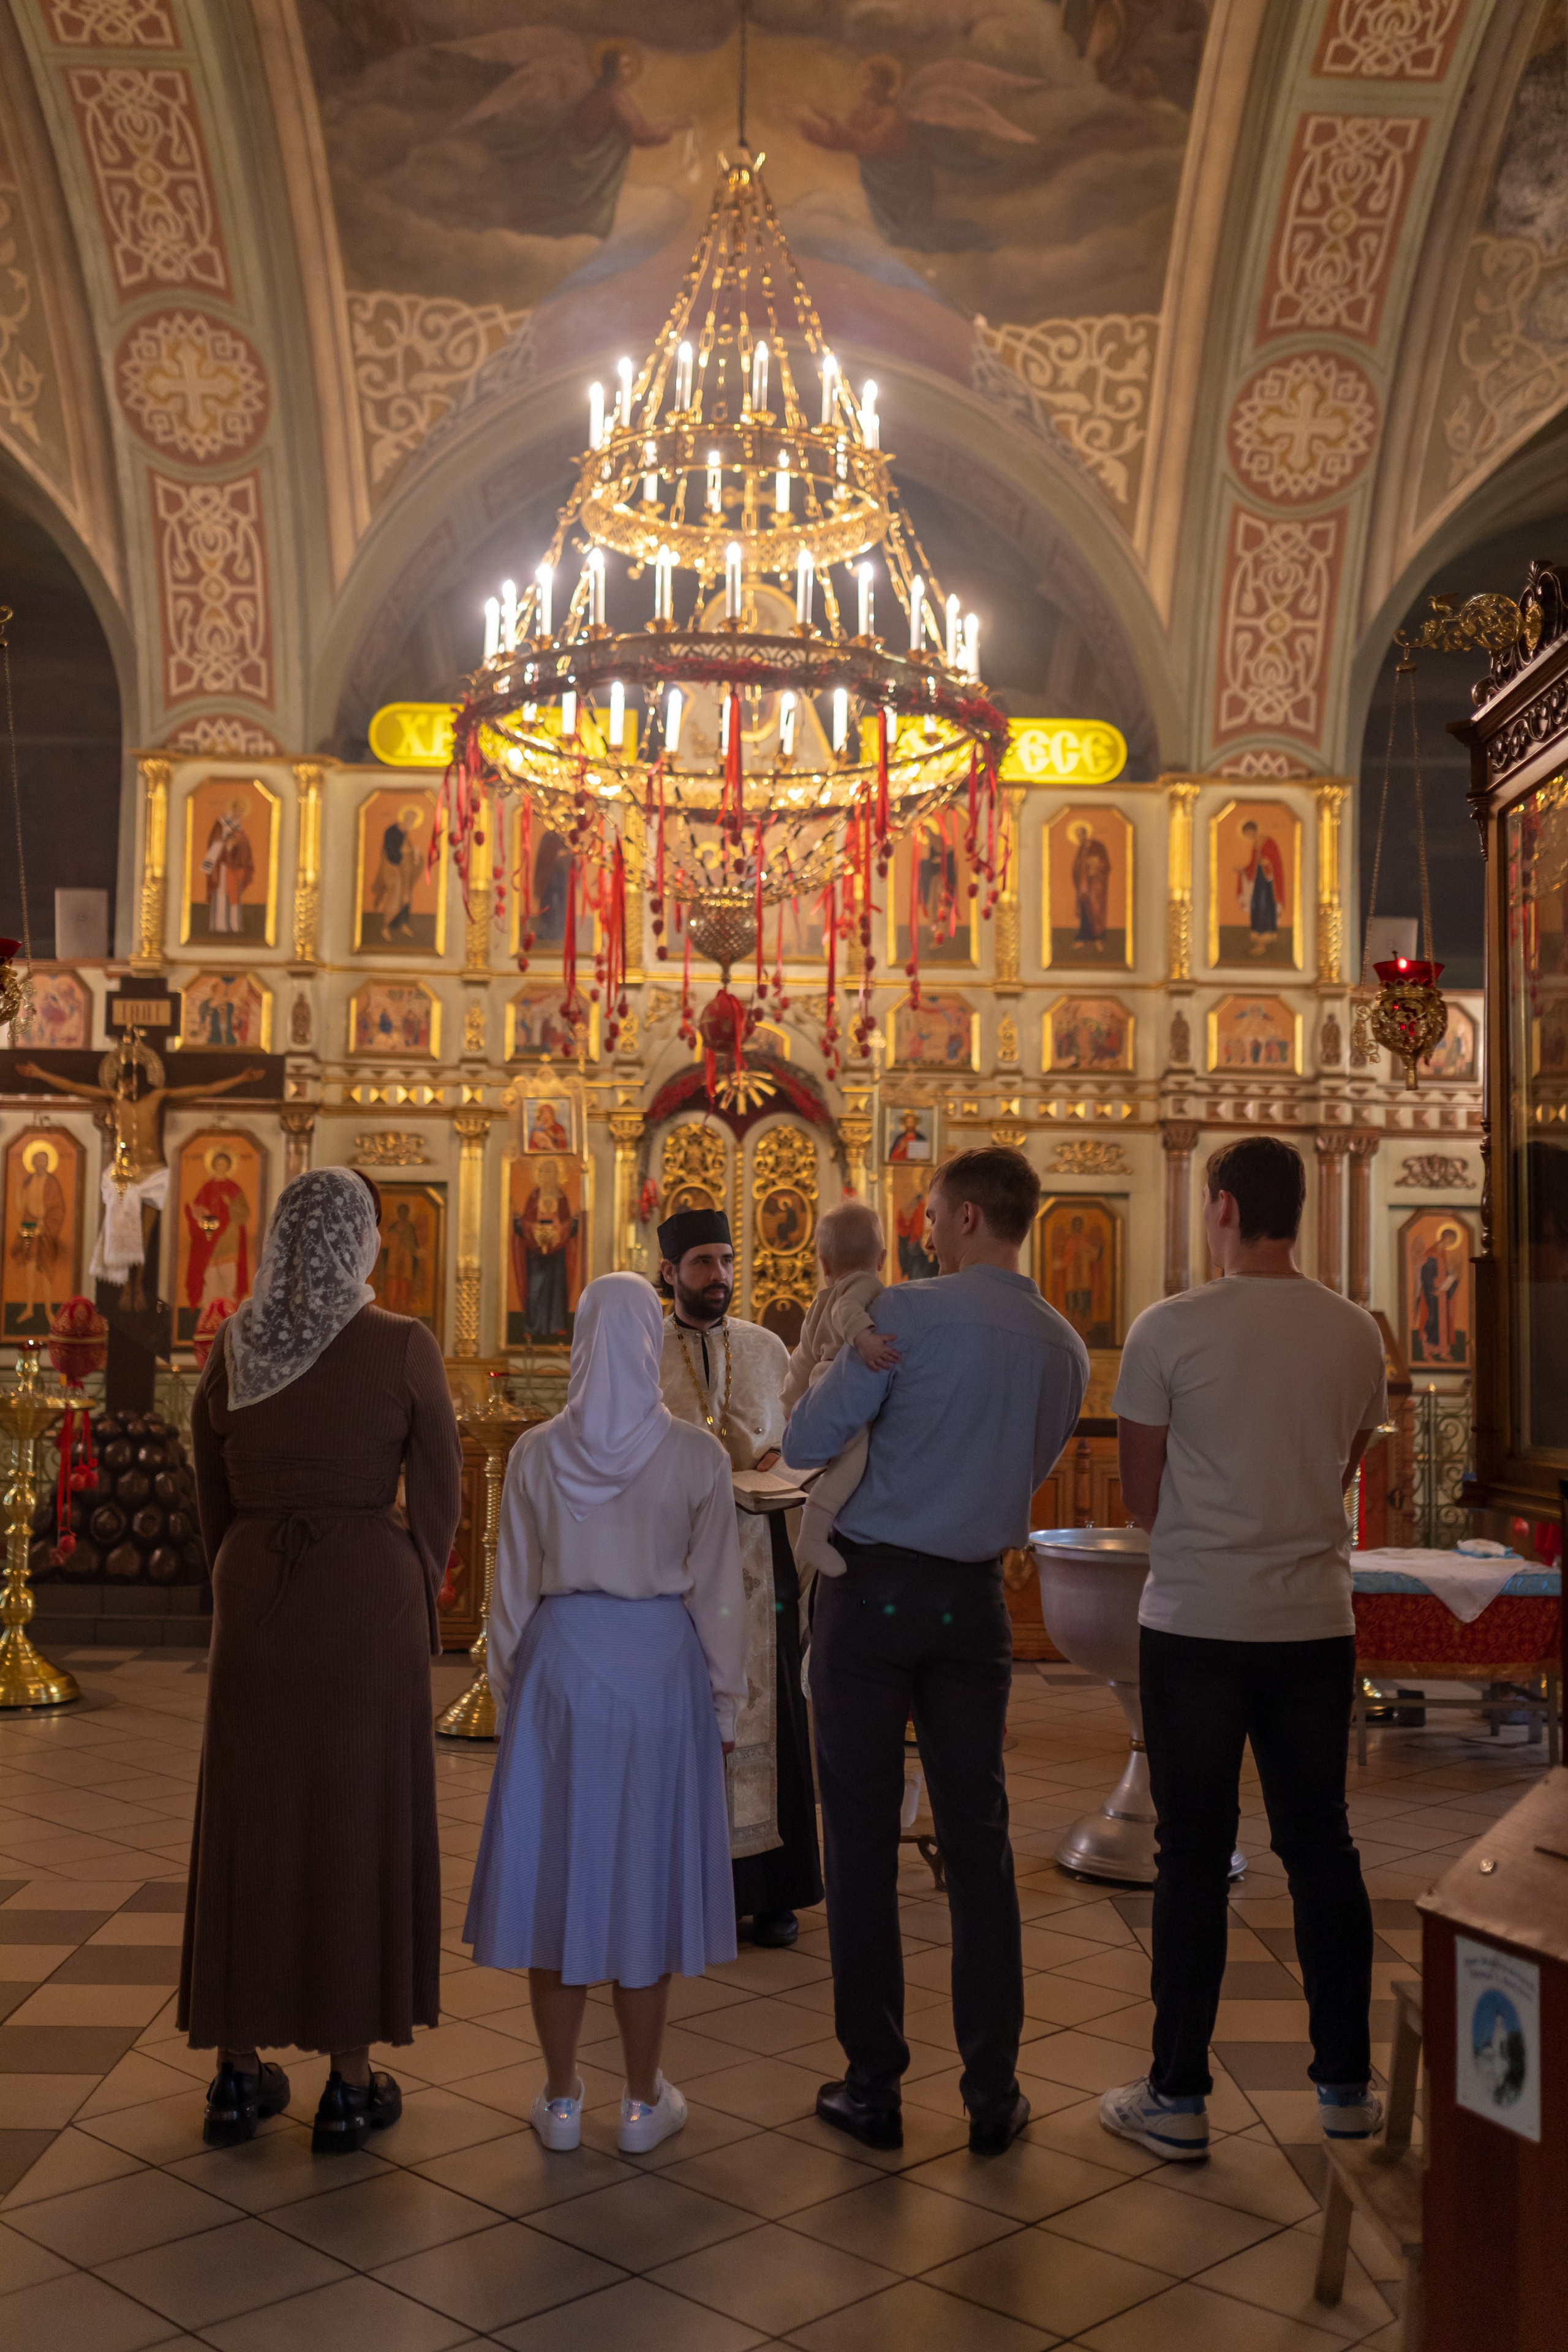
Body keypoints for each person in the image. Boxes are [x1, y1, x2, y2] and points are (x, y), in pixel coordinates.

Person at [784, 1146, 1088, 2155]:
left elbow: (806, 1438)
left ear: (963, 1219)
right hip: (974, 1603)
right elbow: (1036, 1463)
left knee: (862, 1841)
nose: (920, 1227)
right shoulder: (1063, 1344)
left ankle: (874, 2087)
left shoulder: (906, 1317)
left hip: (871, 1596)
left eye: (931, 1212)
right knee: (980, 1842)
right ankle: (993, 2092)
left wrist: (846, 1373)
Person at [1102, 1134, 1387, 2165]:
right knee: (1322, 1850)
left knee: (1191, 1859)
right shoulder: (1358, 1333)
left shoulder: (1169, 1329)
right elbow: (1344, 1466)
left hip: (1196, 1625)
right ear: (1297, 1211)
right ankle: (1348, 2087)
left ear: (1221, 1206)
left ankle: (1176, 2096)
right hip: (1314, 1622)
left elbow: (1139, 1496)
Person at [180, 1167, 462, 2154]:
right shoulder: (400, 1344)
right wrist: (412, 1580)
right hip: (365, 1602)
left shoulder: (235, 1343)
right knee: (357, 1823)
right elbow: (440, 1482)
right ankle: (348, 2082)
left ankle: (237, 2071)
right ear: (362, 1241)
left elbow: (208, 1478)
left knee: (248, 1823)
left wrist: (239, 1568)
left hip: (256, 1594)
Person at [465, 1274, 744, 2154]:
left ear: (581, 1340)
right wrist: (726, 1699)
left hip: (561, 1671)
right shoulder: (698, 1456)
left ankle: (556, 2099)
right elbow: (721, 1599)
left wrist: (512, 1694)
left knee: (561, 1885)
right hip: (660, 1672)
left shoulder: (537, 1454)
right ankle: (639, 2100)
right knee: (642, 1888)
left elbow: (506, 1593)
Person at [657, 1207, 823, 1949]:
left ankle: (771, 1889)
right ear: (668, 1272)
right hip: (676, 1561)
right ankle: (683, 1882)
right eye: (700, 1263)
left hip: (761, 1551)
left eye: (725, 1261)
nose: (717, 1276)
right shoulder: (643, 1350)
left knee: (772, 1712)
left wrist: (770, 1463)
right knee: (683, 1717)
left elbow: (788, 1438)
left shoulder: (766, 1347)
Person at [780, 1200, 897, 1580]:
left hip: (817, 1389)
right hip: (838, 1387)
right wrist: (866, 1341)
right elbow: (847, 1311)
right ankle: (813, 1535)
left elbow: (801, 1360)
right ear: (882, 1258)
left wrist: (791, 1404)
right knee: (852, 1463)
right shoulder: (864, 1285)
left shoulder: (818, 1302)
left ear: (824, 1264)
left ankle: (815, 1530)